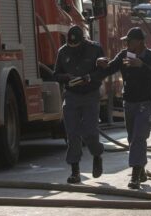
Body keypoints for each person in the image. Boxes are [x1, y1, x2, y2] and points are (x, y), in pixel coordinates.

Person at [97, 27, 151, 189]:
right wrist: (99, 64)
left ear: (139, 42)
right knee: (133, 138)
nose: (127, 43)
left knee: (139, 136)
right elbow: (111, 68)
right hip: (129, 102)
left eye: (129, 41)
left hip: (145, 102)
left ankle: (135, 176)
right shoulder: (124, 55)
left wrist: (141, 65)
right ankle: (141, 169)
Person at [53, 25, 105, 184]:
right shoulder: (63, 51)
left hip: (90, 94)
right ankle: (75, 171)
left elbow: (103, 71)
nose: (73, 48)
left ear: (83, 41)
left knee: (90, 131)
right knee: (72, 133)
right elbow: (55, 74)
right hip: (72, 95)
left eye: (76, 45)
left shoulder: (95, 49)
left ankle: (97, 155)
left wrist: (90, 77)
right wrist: (66, 77)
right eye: (70, 44)